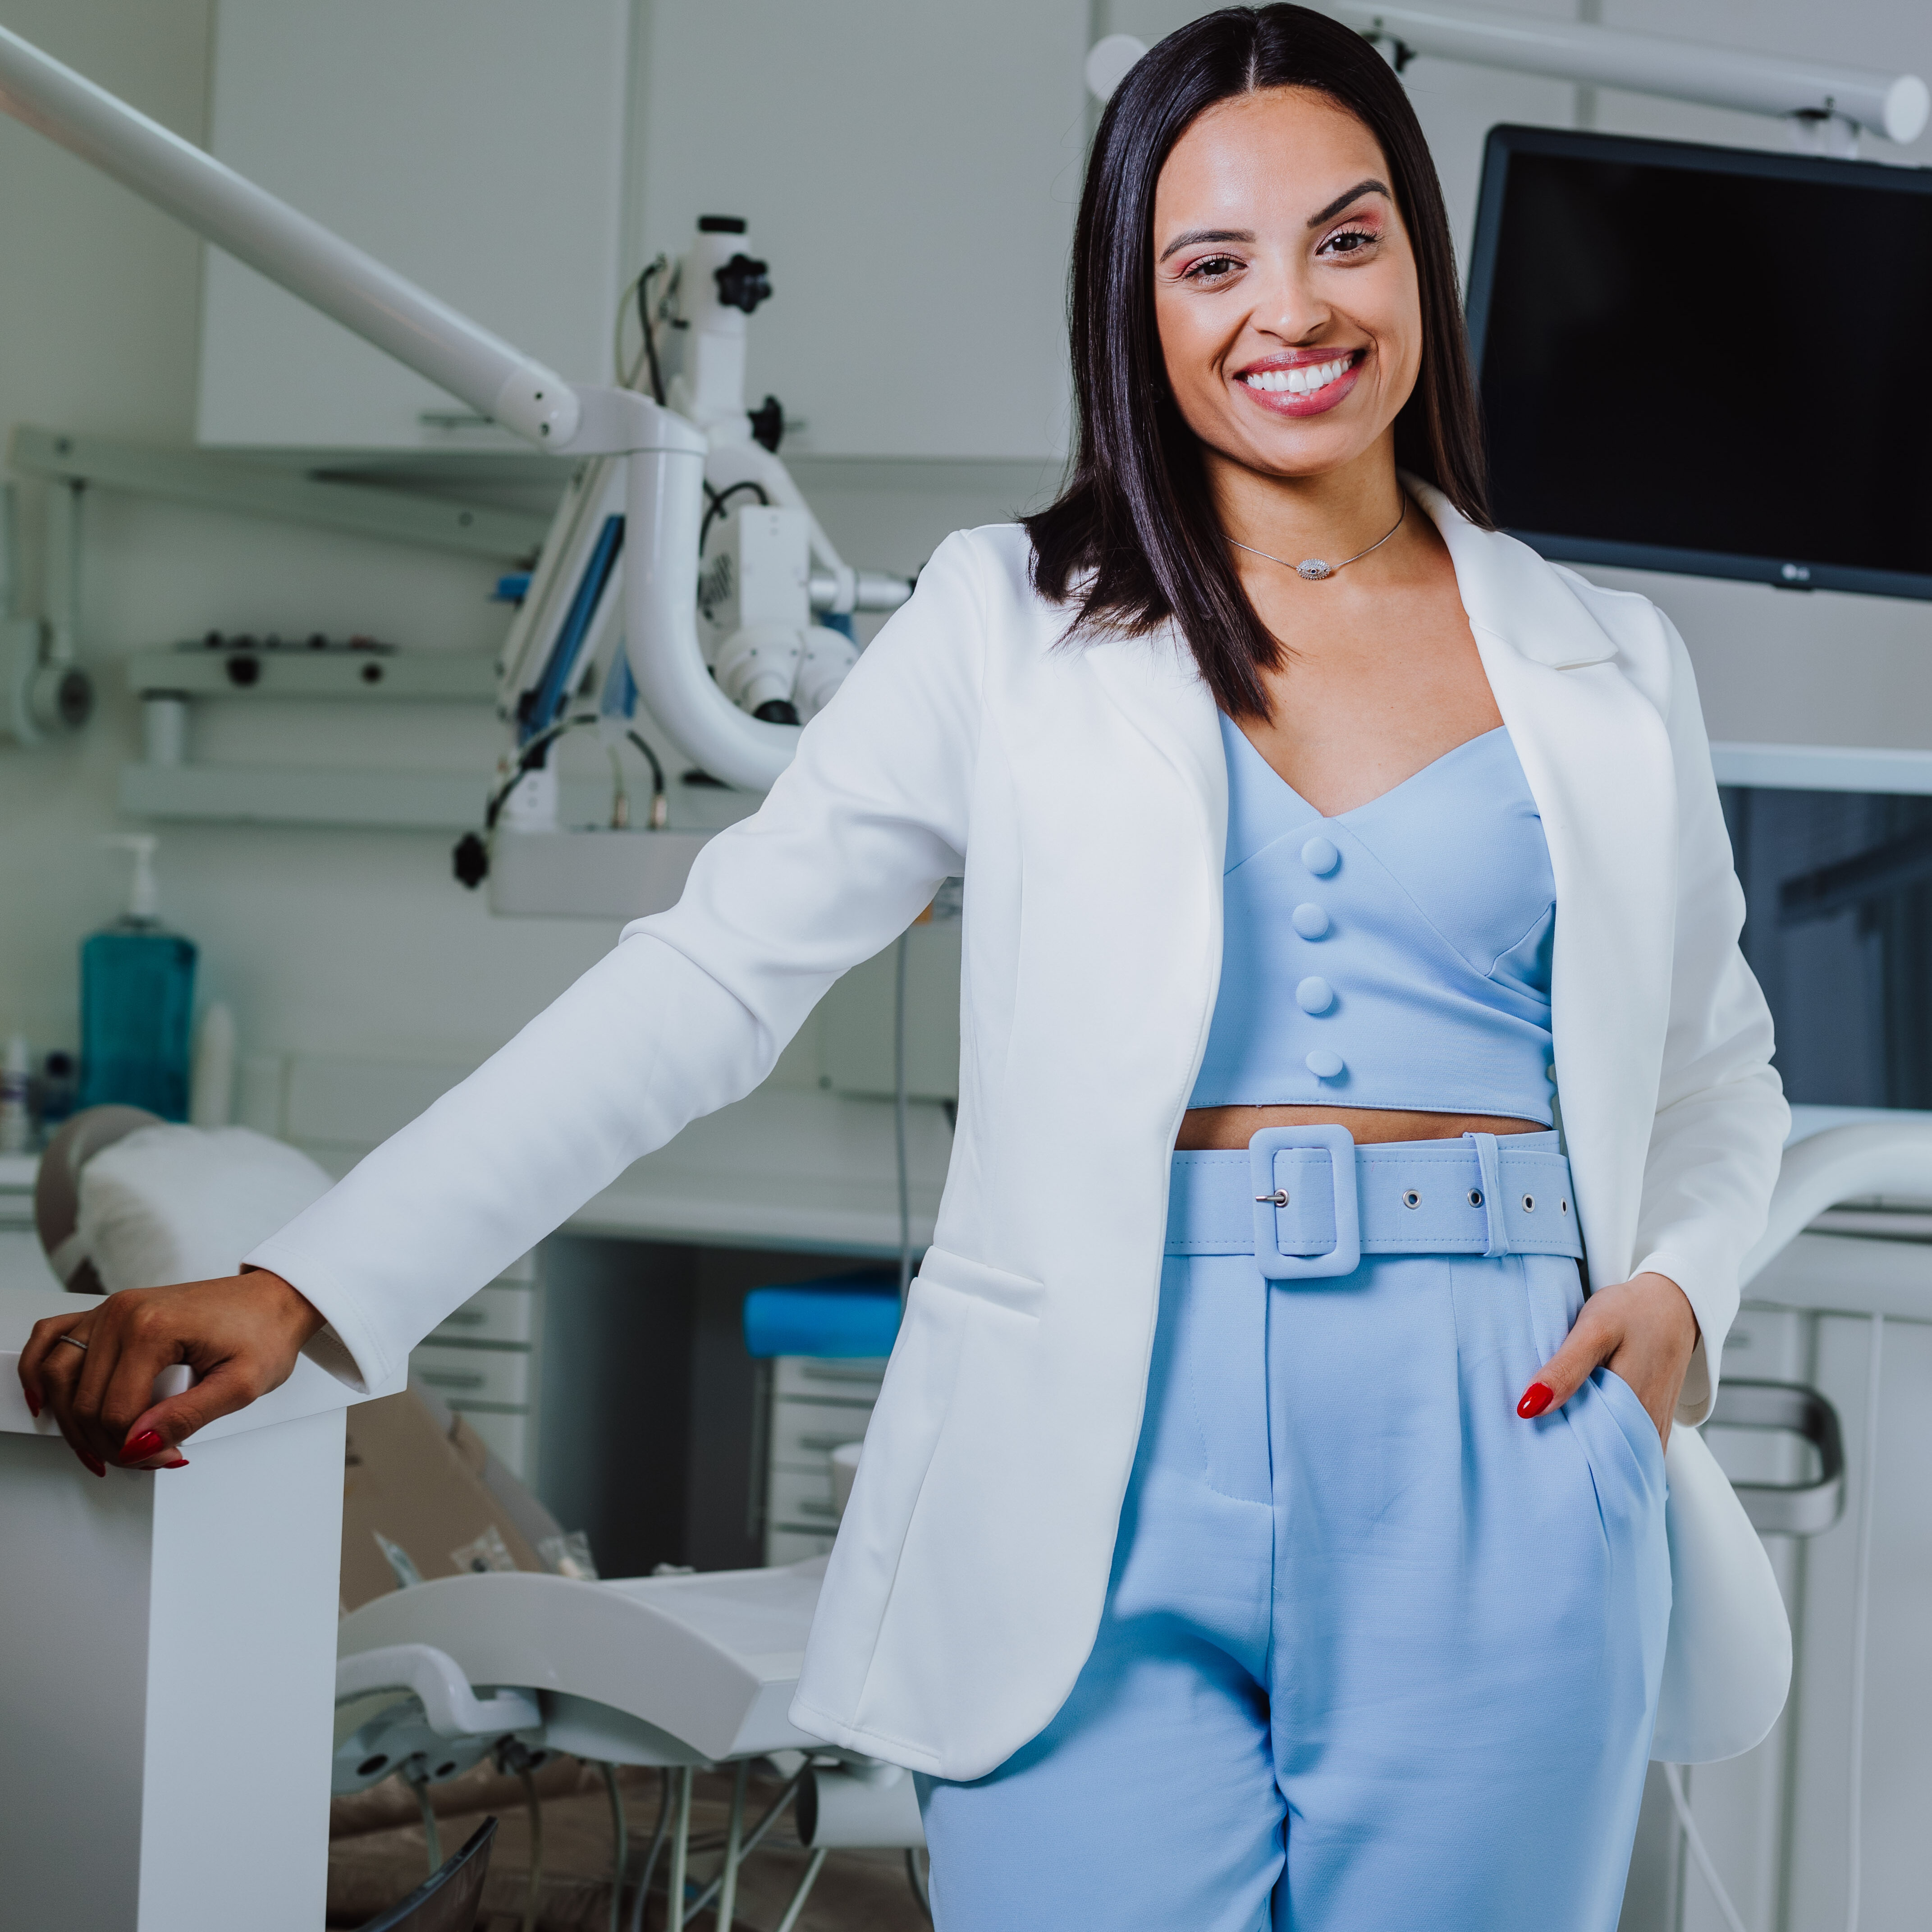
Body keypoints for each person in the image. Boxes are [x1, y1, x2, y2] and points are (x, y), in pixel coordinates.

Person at [21, 8, 1785, 1927]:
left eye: (1345, 239)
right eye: (1214, 260)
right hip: (1091, 1465)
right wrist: (315, 1282)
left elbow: (1714, 1074)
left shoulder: (1605, 660)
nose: (1294, 306)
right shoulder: (1002, 624)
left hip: (1503, 1440)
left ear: (1415, 261)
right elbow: (707, 983)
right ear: (1135, 300)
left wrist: (1683, 1289)